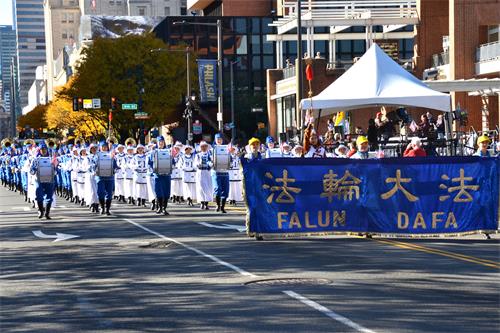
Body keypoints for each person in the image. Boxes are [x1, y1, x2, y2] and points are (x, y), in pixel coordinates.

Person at [30, 143, 57, 219]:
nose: (44, 151)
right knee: (39, 196)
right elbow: (31, 171)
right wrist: (34, 169)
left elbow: (56, 169)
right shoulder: (36, 159)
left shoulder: (51, 159)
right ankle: (41, 211)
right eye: (42, 150)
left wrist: (55, 170)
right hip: (39, 180)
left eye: (45, 149)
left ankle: (47, 213)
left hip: (49, 180)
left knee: (49, 197)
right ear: (39, 150)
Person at [149, 136, 172, 215]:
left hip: (166, 175)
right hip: (158, 175)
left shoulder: (168, 151)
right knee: (159, 192)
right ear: (157, 143)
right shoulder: (154, 152)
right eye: (159, 142)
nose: (161, 143)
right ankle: (159, 207)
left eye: (162, 141)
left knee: (166, 192)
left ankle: (164, 208)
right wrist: (153, 169)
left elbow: (173, 162)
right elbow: (149, 162)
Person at [94, 141, 117, 215]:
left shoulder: (111, 154)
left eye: (105, 146)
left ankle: (107, 209)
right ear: (100, 147)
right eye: (102, 146)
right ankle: (102, 208)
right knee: (100, 192)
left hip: (109, 177)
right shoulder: (97, 155)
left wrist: (115, 169)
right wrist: (93, 170)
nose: (104, 148)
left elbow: (115, 165)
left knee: (109, 194)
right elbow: (93, 164)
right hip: (100, 177)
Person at [211, 133, 230, 213]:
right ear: (215, 140)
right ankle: (218, 205)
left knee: (225, 190)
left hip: (225, 172)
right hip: (216, 172)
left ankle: (223, 207)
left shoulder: (227, 149)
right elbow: (208, 160)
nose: (219, 140)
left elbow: (231, 159)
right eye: (217, 139)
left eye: (220, 139)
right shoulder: (212, 149)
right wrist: (210, 163)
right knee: (217, 189)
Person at [195, 141, 213, 210]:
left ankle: (206, 203)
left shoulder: (210, 154)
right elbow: (195, 163)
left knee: (208, 187)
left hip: (207, 172)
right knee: (200, 187)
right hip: (200, 172)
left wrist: (210, 164)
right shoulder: (198, 155)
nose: (204, 147)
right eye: (202, 146)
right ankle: (202, 202)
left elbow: (212, 162)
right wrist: (198, 164)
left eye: (205, 146)